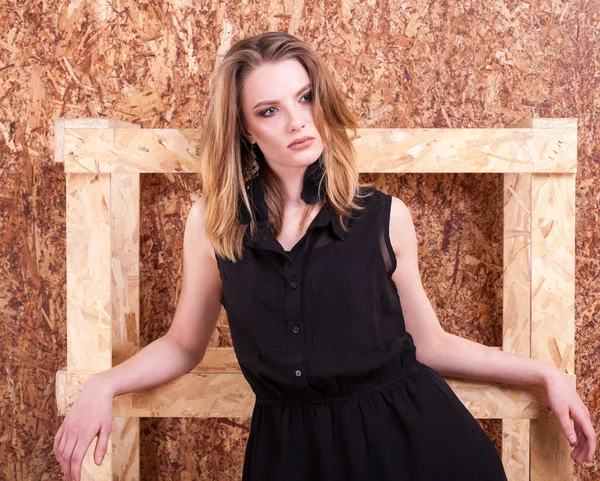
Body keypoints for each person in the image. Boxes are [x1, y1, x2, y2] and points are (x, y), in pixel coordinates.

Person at [54, 31, 596, 481]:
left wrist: (542, 373)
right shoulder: (213, 226)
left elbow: (429, 345)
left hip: (414, 448)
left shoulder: (386, 218)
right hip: (290, 456)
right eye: (270, 109)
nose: (297, 121)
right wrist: (104, 382)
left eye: (305, 97)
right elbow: (183, 344)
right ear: (244, 129)